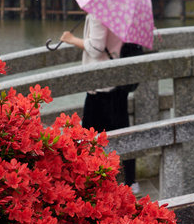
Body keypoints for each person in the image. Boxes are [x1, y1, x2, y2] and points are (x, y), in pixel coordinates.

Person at [60, 15, 139, 194]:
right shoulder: (120, 12)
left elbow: (96, 48)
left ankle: (87, 183)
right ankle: (131, 182)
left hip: (100, 84)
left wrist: (71, 40)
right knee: (122, 132)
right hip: (117, 79)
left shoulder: (98, 15)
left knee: (89, 136)